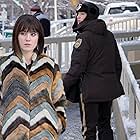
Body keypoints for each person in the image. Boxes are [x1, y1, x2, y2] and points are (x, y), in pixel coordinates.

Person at [63, 1, 124, 140]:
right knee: (105, 125)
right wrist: (112, 82)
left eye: (82, 13)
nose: (78, 16)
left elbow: (77, 67)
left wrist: (63, 87)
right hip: (108, 89)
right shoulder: (109, 35)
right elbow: (117, 64)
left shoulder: (84, 37)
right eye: (77, 13)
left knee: (89, 130)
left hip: (89, 91)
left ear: (90, 16)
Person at [0, 14, 66, 140]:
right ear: (16, 36)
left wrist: (59, 123)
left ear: (39, 37)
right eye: (23, 33)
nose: (28, 39)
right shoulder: (4, 65)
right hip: (12, 134)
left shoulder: (49, 65)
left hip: (45, 134)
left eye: (33, 34)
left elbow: (59, 99)